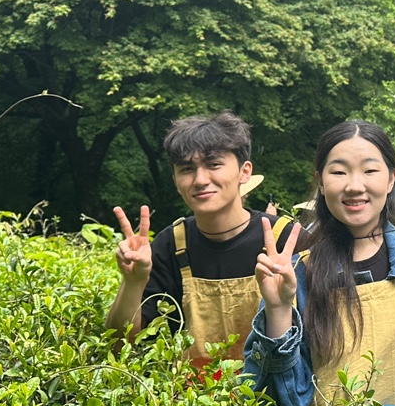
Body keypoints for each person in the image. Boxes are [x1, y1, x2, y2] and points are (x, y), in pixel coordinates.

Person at [244, 120, 395, 406]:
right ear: (321, 182)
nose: (354, 185)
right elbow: (283, 404)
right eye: (339, 172)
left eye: (370, 170)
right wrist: (278, 309)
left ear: (391, 179)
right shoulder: (296, 274)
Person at [106, 112, 295, 365]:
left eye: (214, 164)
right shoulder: (170, 245)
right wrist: (133, 282)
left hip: (268, 401)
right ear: (175, 180)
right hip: (193, 401)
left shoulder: (286, 238)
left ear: (244, 171)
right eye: (186, 169)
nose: (200, 180)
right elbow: (120, 343)